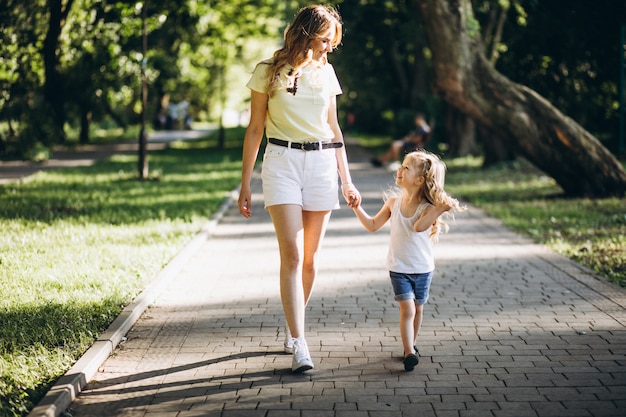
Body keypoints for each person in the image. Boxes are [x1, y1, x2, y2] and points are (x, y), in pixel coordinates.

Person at [237, 5, 361, 373]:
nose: (329, 48)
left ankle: (294, 329)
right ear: (307, 35)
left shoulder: (327, 73)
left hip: (322, 164)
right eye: (325, 40)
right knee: (291, 255)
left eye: (333, 43)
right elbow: (255, 129)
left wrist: (347, 179)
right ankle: (300, 343)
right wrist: (244, 182)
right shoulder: (267, 72)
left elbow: (334, 129)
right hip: (281, 163)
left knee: (310, 259)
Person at [351, 150, 465, 371]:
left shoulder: (428, 208)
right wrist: (357, 207)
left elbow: (419, 227)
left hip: (423, 269)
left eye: (405, 168)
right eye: (401, 166)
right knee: (408, 310)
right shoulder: (393, 203)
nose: (399, 170)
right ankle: (409, 352)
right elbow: (372, 225)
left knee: (418, 309)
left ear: (419, 180)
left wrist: (439, 210)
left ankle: (411, 343)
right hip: (399, 267)